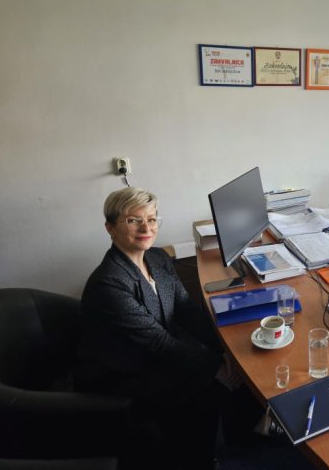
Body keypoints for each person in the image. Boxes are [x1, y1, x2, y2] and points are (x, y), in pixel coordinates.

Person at [76, 187, 248, 469]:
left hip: (155, 355)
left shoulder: (156, 258)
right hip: (122, 375)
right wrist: (217, 367)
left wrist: (225, 350)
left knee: (233, 366)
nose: (146, 228)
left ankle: (238, 439)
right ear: (110, 228)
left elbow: (186, 309)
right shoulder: (109, 284)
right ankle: (198, 460)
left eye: (152, 219)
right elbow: (159, 342)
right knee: (211, 384)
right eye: (134, 220)